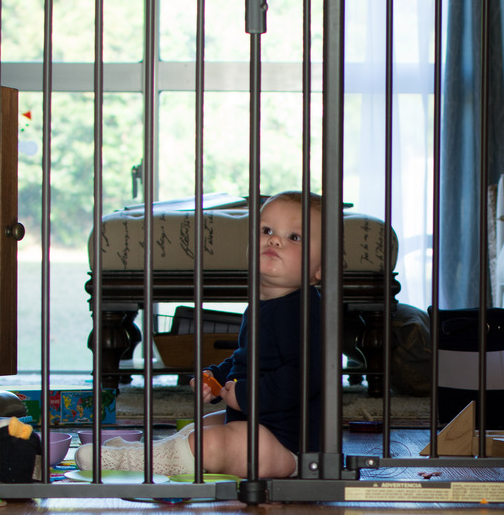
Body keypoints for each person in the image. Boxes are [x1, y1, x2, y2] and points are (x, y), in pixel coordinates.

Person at [77, 191, 324, 479]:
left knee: (213, 443)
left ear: (320, 269)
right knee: (203, 426)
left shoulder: (302, 312)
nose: (275, 240)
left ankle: (131, 460)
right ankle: (153, 453)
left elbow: (303, 377)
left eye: (294, 237)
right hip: (260, 425)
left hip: (291, 447)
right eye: (266, 230)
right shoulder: (265, 305)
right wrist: (217, 377)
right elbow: (248, 360)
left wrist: (246, 396)